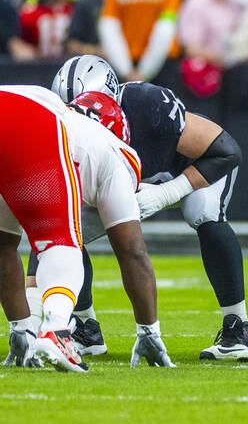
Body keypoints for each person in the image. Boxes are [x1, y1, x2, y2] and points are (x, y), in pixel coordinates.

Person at [48, 54, 248, 361]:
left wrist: (168, 192)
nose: (84, 123)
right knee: (65, 232)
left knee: (203, 214)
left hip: (189, 172)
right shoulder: (64, 130)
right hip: (117, 182)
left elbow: (226, 152)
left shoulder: (148, 105)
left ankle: (238, 327)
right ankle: (85, 329)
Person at [0, 86, 171, 371]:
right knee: (62, 244)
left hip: (12, 100)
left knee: (2, 244)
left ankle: (21, 331)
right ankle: (56, 331)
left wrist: (20, 329)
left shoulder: (72, 122)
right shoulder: (117, 152)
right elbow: (133, 252)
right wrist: (149, 331)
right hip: (32, 116)